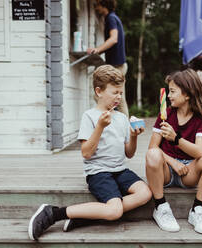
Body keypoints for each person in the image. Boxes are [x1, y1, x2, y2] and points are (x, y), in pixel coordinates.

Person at [28, 65, 152, 241]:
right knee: (115, 210)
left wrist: (133, 137)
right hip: (99, 172)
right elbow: (86, 153)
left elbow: (129, 154)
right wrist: (100, 127)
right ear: (99, 91)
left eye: (120, 93)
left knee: (145, 193)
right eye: (115, 92)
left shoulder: (122, 118)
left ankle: (86, 215)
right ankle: (53, 213)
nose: (119, 97)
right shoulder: (90, 116)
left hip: (120, 170)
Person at [145, 69, 202, 234]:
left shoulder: (200, 118)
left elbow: (200, 152)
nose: (169, 95)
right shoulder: (165, 115)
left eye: (172, 91)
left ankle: (197, 210)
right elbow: (153, 147)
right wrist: (173, 162)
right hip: (165, 170)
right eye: (169, 91)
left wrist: (176, 138)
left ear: (187, 95)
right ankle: (160, 206)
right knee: (152, 155)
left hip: (189, 172)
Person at [87, 0, 129, 116]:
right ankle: (116, 124)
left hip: (117, 66)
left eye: (97, 6)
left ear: (104, 5)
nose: (96, 8)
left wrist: (98, 49)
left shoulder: (110, 18)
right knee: (115, 98)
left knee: (111, 98)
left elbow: (114, 38)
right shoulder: (113, 18)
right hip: (117, 65)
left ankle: (124, 129)